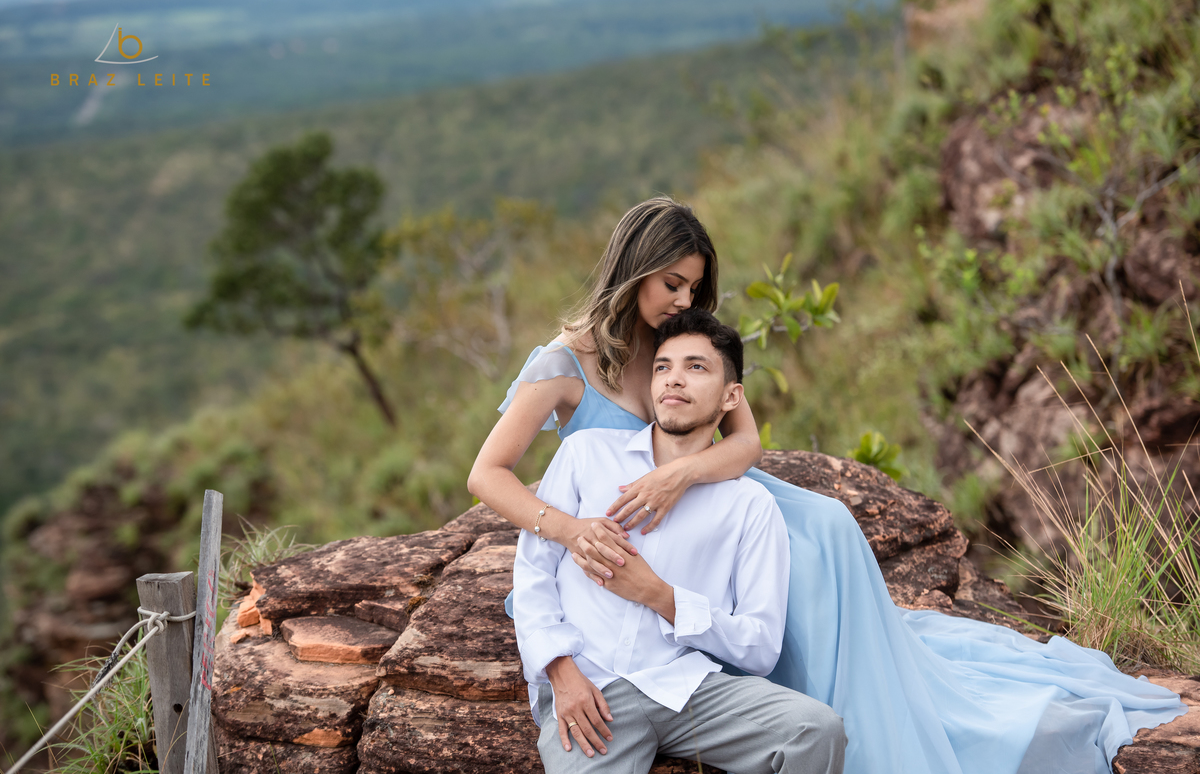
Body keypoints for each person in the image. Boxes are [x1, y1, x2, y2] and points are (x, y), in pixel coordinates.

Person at [468, 196, 1187, 774]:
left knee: (828, 533)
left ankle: (849, 696)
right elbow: (485, 474)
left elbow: (745, 442)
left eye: (693, 286)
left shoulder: (679, 346)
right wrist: (569, 529)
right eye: (672, 283)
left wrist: (683, 471)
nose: (683, 299)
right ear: (634, 269)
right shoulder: (565, 361)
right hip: (614, 518)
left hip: (708, 489)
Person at [513, 311, 846, 774]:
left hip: (688, 689)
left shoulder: (750, 504)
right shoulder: (585, 454)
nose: (673, 380)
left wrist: (661, 596)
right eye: (663, 367)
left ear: (732, 396)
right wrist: (559, 672)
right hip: (592, 690)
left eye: (696, 367)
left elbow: (761, 646)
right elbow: (532, 573)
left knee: (816, 730)